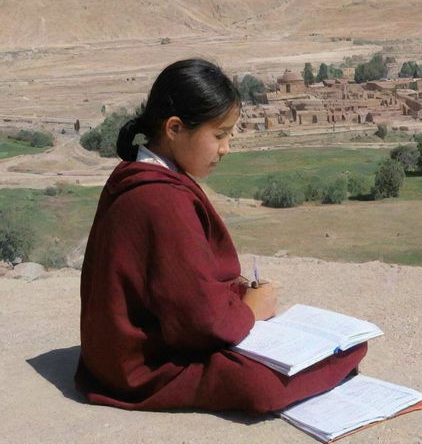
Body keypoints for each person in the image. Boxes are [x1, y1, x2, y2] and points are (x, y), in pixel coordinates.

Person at [75, 58, 366, 414]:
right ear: (175, 128)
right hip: (139, 367)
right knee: (322, 358)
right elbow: (198, 325)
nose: (226, 148)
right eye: (219, 134)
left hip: (110, 356)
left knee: (327, 349)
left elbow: (178, 287)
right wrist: (249, 312)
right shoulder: (161, 199)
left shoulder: (135, 172)